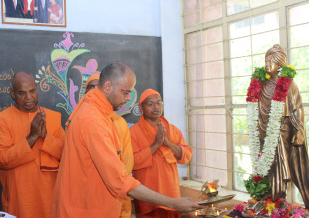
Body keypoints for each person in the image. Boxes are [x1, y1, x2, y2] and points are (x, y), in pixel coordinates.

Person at [50, 62, 202, 218]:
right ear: (108, 86)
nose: (129, 98)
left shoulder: (98, 112)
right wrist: (173, 203)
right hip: (86, 209)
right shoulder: (94, 120)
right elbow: (120, 180)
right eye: (125, 92)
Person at [257, 44, 309, 210]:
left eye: (271, 61)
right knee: (269, 166)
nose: (267, 64)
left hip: (283, 132)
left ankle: (278, 199)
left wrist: (299, 131)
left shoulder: (288, 85)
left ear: (280, 65)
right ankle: (272, 202)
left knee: (282, 165)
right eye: (266, 60)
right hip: (265, 133)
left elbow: (297, 108)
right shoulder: (262, 85)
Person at [0, 71, 65, 218]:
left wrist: (45, 136)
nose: (29, 97)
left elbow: (66, 153)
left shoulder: (52, 117)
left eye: (32, 91)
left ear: (37, 89)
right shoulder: (3, 120)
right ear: (12, 93)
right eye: (22, 93)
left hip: (49, 197)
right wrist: (32, 137)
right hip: (18, 199)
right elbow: (3, 160)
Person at [130, 88, 193, 218]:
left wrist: (168, 143)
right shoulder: (132, 133)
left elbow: (186, 156)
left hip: (171, 192)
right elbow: (132, 162)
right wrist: (156, 145)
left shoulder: (173, 130)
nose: (156, 107)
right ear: (141, 107)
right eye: (150, 103)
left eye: (159, 103)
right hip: (147, 195)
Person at [84, 73, 134, 218]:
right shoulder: (81, 119)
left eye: (97, 87)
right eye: (90, 87)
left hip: (116, 192)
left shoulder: (120, 123)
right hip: (88, 196)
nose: (94, 92)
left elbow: (127, 162)